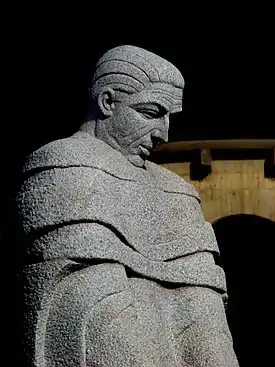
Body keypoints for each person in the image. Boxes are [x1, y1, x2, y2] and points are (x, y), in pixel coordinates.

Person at [16, 45, 239, 366]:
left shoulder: (178, 190)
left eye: (168, 118)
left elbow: (201, 304)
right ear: (108, 102)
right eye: (150, 113)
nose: (163, 133)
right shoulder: (63, 165)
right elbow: (87, 297)